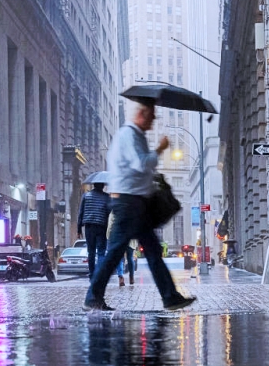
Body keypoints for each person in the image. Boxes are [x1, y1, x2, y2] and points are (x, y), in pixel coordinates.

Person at [84, 99, 196, 311]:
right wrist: (159, 149)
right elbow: (140, 164)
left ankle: (170, 296)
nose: (153, 121)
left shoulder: (134, 135)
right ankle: (93, 296)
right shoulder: (129, 135)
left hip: (135, 202)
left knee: (149, 251)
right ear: (143, 113)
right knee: (117, 252)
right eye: (152, 116)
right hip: (129, 202)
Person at [77, 182, 110, 279]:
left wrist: (79, 229)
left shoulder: (86, 196)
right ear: (103, 186)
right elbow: (109, 213)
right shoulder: (106, 197)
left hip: (89, 226)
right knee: (101, 251)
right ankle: (99, 274)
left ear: (94, 185)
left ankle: (92, 274)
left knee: (90, 252)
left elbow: (81, 212)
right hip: (101, 226)